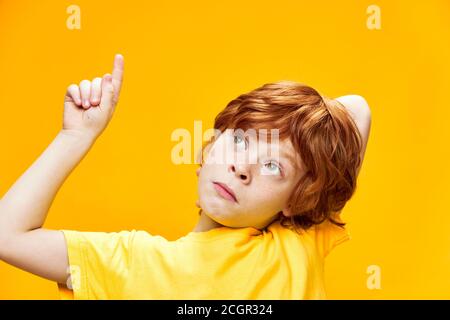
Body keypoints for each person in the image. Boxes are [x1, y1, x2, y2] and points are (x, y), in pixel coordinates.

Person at [0, 54, 371, 299]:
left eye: (274, 166)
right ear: (210, 147)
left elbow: (358, 109)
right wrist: (75, 136)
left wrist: (300, 120)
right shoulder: (131, 262)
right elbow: (7, 236)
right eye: (240, 140)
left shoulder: (297, 244)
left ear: (297, 199)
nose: (243, 168)